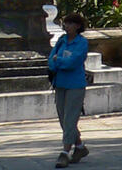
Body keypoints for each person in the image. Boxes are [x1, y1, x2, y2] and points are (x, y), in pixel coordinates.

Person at [47, 12, 90, 168]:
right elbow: (51, 60)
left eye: (71, 23)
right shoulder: (61, 41)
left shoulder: (82, 43)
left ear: (78, 26)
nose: (67, 26)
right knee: (63, 119)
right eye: (66, 23)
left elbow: (73, 61)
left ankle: (64, 153)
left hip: (75, 84)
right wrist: (57, 62)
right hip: (60, 83)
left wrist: (59, 61)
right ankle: (79, 147)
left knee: (70, 119)